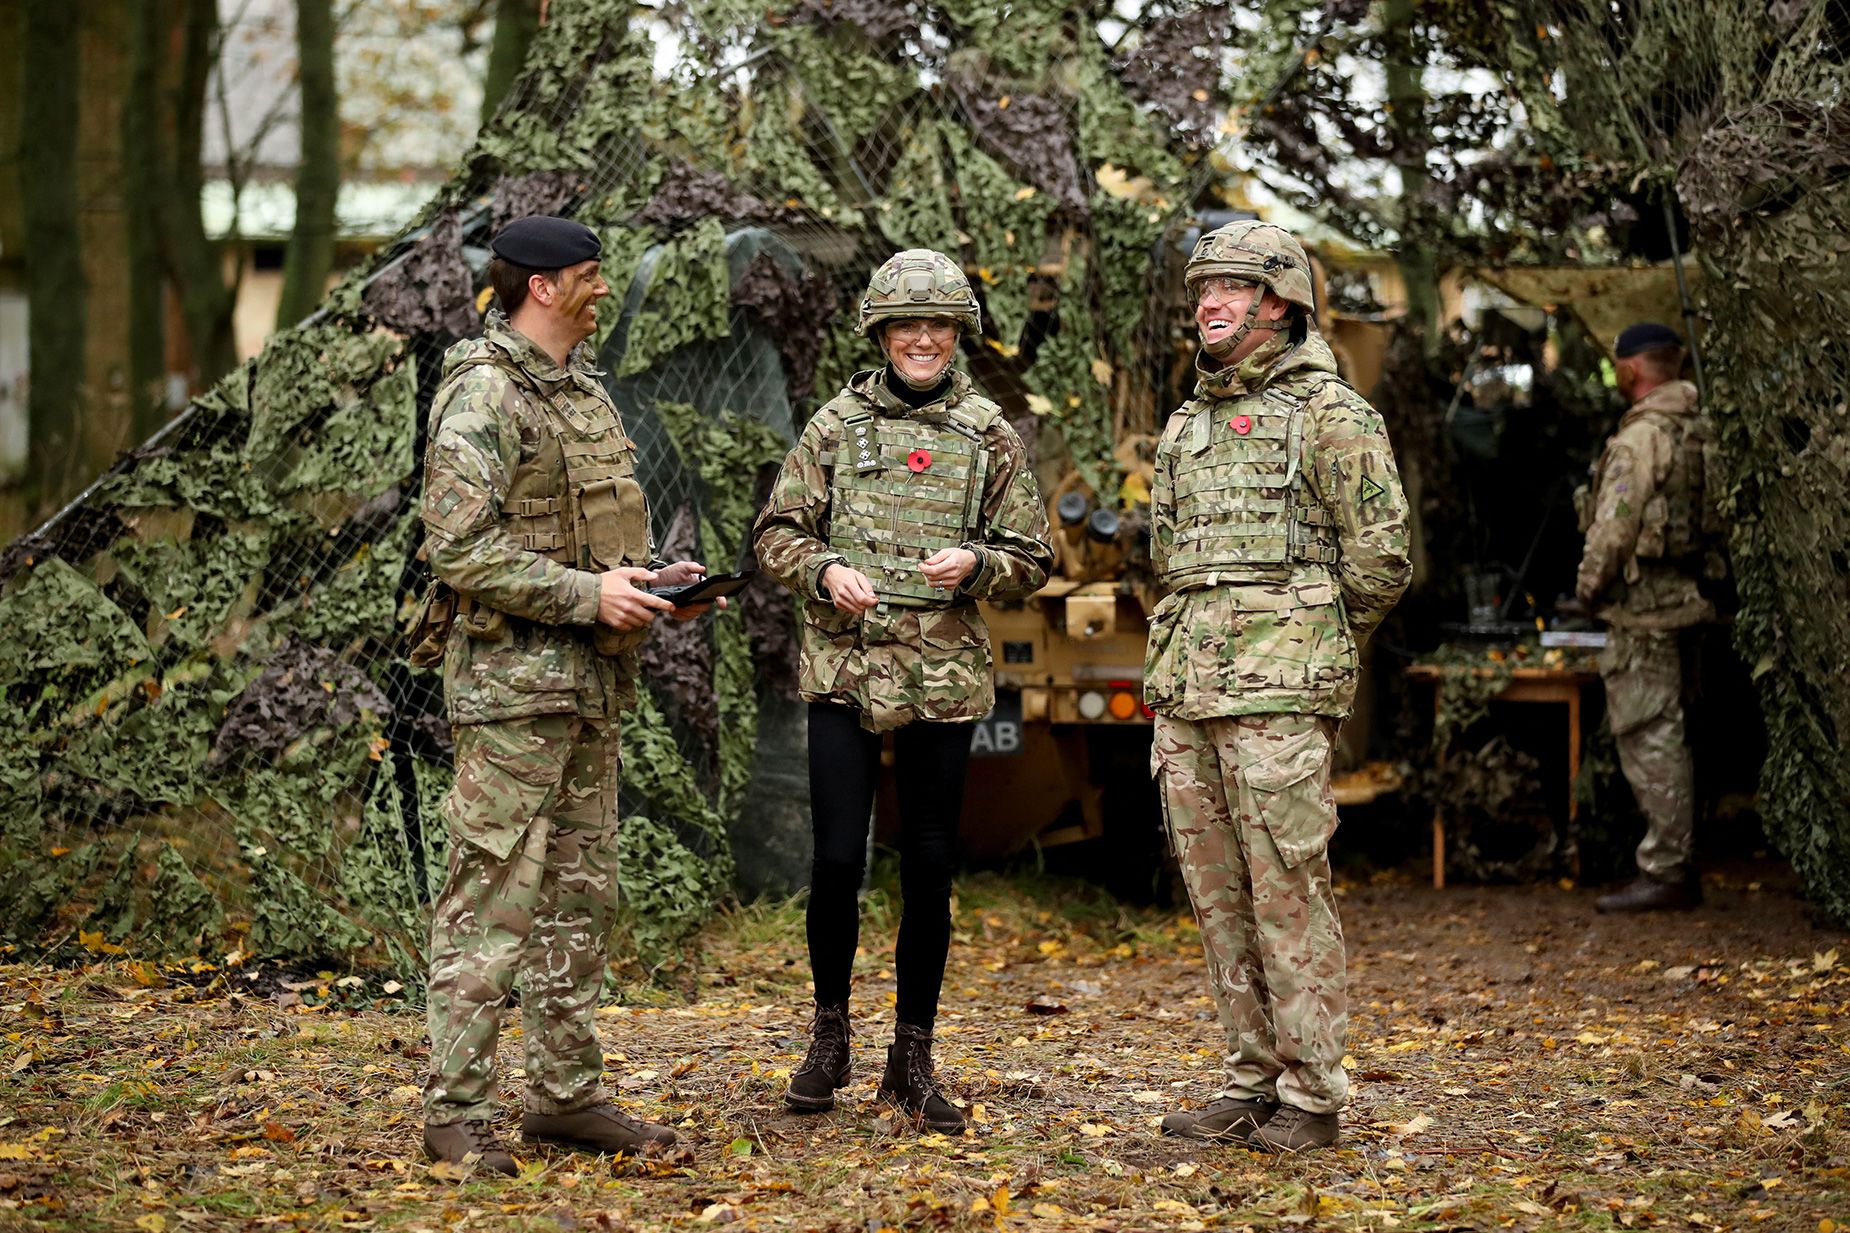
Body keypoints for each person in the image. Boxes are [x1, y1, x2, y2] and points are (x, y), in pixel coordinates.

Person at [416, 215, 715, 1173]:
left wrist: (651, 582)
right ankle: (454, 1111)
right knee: (491, 899)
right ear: (541, 286)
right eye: (590, 275)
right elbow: (457, 547)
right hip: (510, 698)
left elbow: (581, 538)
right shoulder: (483, 394)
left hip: (589, 690)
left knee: (580, 900)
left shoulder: (581, 391)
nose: (601, 290)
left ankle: (562, 1095)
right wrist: (590, 594)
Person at [752, 249, 1053, 1133]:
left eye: (939, 326)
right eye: (906, 325)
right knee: (838, 859)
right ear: (881, 333)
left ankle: (912, 1057)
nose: (922, 339)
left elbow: (1032, 558)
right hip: (846, 672)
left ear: (958, 335)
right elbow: (776, 532)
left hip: (943, 678)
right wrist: (825, 567)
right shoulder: (835, 426)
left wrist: (978, 563)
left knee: (929, 868)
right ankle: (829, 1036)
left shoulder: (988, 433)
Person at [1145, 220, 1410, 1153]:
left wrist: (1300, 644)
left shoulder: (1335, 417)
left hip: (1280, 697)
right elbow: (1168, 557)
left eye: (1229, 288)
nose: (1208, 303)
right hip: (1186, 693)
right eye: (1201, 289)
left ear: (1279, 302)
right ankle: (1250, 1078)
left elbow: (1381, 562)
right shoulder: (1187, 424)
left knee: (1288, 888)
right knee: (1218, 897)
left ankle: (1312, 1094)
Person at [1579, 323, 1717, 913]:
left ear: (1632, 369)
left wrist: (1588, 589)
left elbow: (1615, 528)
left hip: (1644, 612)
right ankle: (1678, 860)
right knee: (1682, 734)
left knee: (1650, 734)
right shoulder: (1699, 428)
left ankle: (1666, 869)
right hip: (1691, 599)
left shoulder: (1639, 440)